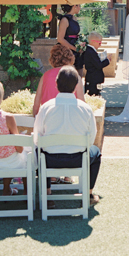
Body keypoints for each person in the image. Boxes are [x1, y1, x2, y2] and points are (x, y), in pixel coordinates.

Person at [35, 66, 102, 205]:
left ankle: (47, 193)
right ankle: (88, 194)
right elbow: (91, 138)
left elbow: (37, 138)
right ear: (76, 86)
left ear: (56, 83)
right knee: (96, 153)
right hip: (78, 159)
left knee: (39, 151)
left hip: (49, 160)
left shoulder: (46, 107)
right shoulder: (86, 109)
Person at [32, 43, 85, 117]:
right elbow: (81, 102)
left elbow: (36, 104)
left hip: (48, 116)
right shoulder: (74, 75)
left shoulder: (45, 75)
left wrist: (36, 119)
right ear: (70, 57)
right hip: (69, 116)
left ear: (52, 59)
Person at [57, 3, 84, 75]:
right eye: (79, 6)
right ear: (74, 6)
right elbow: (60, 39)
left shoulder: (74, 18)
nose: (80, 8)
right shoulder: (65, 19)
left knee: (79, 71)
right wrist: (74, 48)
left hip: (75, 48)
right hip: (67, 50)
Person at [83, 32, 111, 96]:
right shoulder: (90, 52)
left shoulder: (90, 51)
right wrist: (107, 61)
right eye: (99, 43)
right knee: (93, 95)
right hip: (93, 79)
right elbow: (98, 65)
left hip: (94, 79)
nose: (100, 44)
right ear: (93, 42)